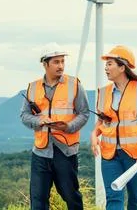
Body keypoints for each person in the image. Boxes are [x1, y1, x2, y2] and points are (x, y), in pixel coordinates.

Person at [21, 42, 89, 210]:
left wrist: (69, 126)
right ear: (45, 64)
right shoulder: (33, 87)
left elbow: (84, 113)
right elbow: (24, 115)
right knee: (37, 200)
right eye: (56, 62)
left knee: (71, 196)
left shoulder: (75, 85)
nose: (61, 66)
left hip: (65, 150)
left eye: (62, 62)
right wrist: (39, 121)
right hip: (41, 151)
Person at [90, 45, 137, 210]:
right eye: (106, 64)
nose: (106, 68)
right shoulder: (103, 93)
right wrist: (93, 135)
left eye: (110, 63)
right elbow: (102, 122)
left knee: (136, 198)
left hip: (134, 154)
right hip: (109, 154)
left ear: (122, 67)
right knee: (113, 198)